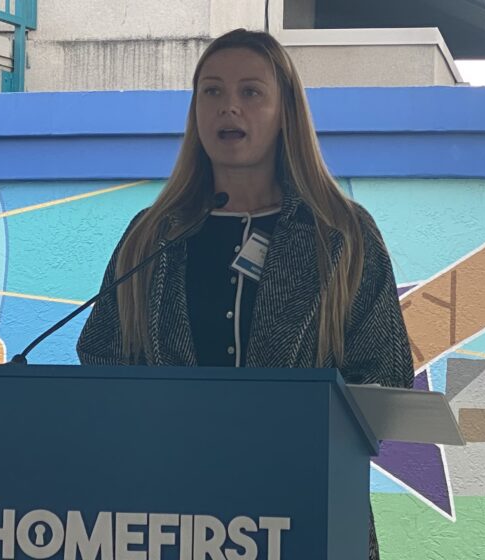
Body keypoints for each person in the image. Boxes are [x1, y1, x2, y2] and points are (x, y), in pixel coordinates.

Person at [75, 28, 415, 560]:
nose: (228, 106)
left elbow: (385, 375)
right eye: (211, 91)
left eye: (250, 92)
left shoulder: (342, 234)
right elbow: (101, 359)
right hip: (172, 518)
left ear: (285, 112)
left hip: (308, 516)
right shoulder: (152, 235)